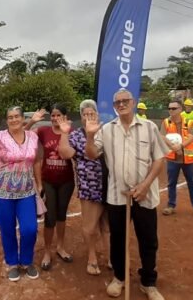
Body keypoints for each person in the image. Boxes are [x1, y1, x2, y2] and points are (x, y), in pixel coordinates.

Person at [86, 89, 167, 300]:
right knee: (119, 239)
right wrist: (90, 135)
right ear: (114, 106)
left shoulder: (149, 128)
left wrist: (145, 185)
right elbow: (92, 154)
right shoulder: (107, 130)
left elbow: (159, 159)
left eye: (125, 101)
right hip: (117, 196)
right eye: (117, 102)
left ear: (133, 102)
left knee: (148, 240)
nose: (121, 104)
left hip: (145, 195)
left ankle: (148, 283)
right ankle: (119, 278)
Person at [0, 106, 41, 282]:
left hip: (26, 191)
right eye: (10, 117)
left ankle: (26, 261)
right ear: (7, 120)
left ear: (22, 118)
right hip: (0, 192)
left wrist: (39, 184)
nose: (13, 120)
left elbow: (35, 161)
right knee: (7, 229)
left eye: (16, 116)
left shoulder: (33, 136)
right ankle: (12, 263)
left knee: (30, 229)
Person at [57, 99, 111, 276]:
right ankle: (92, 257)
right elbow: (65, 153)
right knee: (90, 227)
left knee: (108, 227)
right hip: (89, 186)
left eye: (91, 113)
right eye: (85, 114)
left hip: (111, 186)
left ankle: (111, 257)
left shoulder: (107, 131)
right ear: (81, 117)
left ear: (97, 114)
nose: (88, 116)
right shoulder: (76, 135)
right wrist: (64, 133)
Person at [32, 103, 75, 270]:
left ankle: (60, 247)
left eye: (58, 115)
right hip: (48, 180)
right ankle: (47, 251)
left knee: (61, 215)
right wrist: (40, 184)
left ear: (64, 116)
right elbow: (24, 134)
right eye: (53, 116)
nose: (55, 118)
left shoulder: (71, 132)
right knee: (50, 217)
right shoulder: (43, 131)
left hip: (66, 180)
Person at [160, 100, 193, 218]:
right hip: (172, 158)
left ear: (180, 109)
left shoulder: (190, 122)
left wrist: (180, 146)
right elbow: (162, 136)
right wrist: (174, 148)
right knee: (171, 183)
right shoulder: (166, 122)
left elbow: (191, 136)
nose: (171, 110)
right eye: (169, 108)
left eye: (174, 108)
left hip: (187, 159)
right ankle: (171, 205)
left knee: (192, 183)